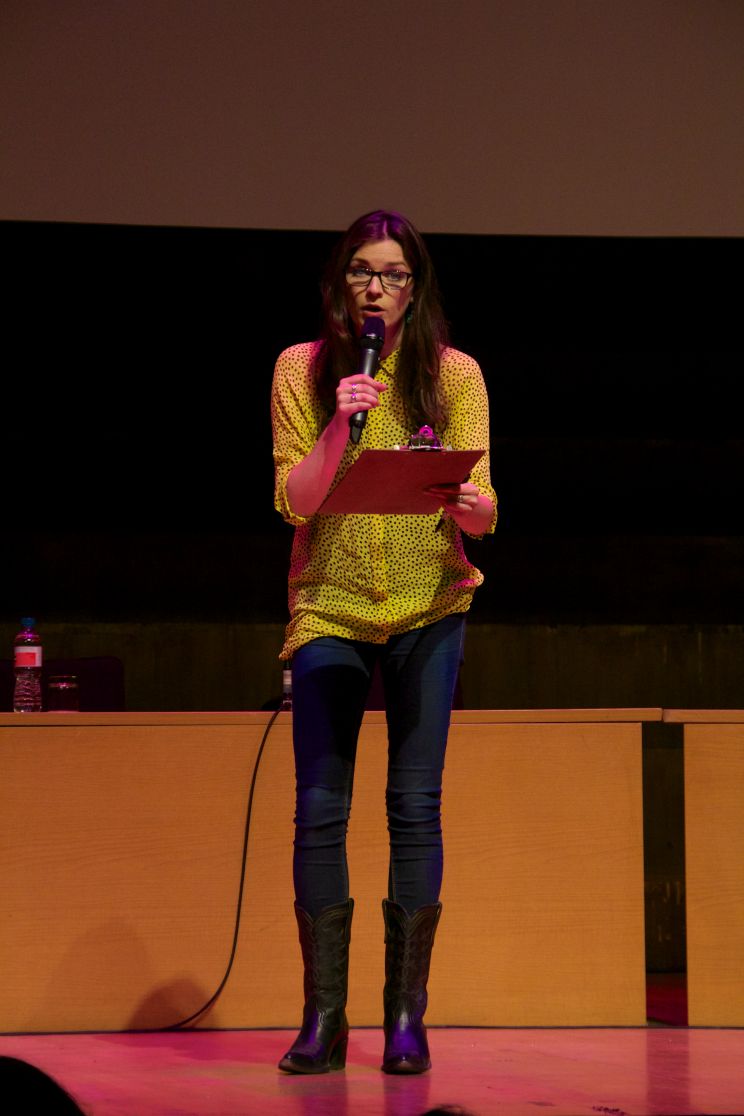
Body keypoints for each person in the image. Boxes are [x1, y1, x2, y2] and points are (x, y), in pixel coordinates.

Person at [271, 209, 496, 1075]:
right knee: (321, 811)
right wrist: (340, 420)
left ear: (416, 287)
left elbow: (484, 498)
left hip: (429, 604)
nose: (378, 287)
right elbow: (297, 499)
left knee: (415, 806)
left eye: (395, 274)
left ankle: (407, 1017)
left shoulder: (455, 373)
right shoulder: (303, 369)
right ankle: (324, 1019)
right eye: (364, 271)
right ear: (341, 284)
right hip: (330, 603)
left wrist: (475, 508)